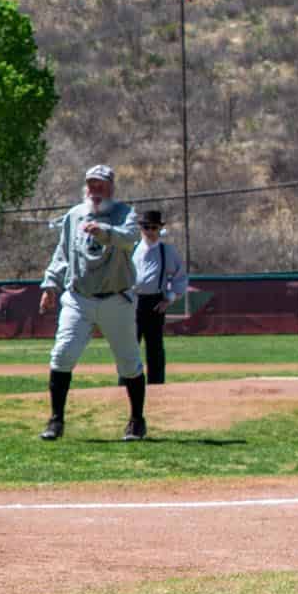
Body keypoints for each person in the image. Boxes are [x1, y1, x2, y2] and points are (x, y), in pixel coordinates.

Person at [38, 165, 146, 442]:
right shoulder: (74, 215)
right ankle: (56, 420)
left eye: (101, 184)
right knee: (62, 354)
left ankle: (136, 420)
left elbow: (129, 238)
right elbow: (62, 253)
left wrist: (104, 231)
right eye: (91, 184)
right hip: (79, 297)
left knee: (128, 361)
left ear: (111, 187)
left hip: (116, 297)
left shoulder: (125, 214)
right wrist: (50, 284)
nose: (95, 190)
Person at [133, 209, 189, 385]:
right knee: (129, 348)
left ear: (159, 229)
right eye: (146, 227)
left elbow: (180, 277)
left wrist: (169, 298)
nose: (150, 231)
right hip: (132, 302)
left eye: (154, 227)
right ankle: (127, 385)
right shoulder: (132, 249)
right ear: (140, 228)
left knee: (155, 347)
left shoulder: (166, 251)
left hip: (155, 302)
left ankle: (156, 386)